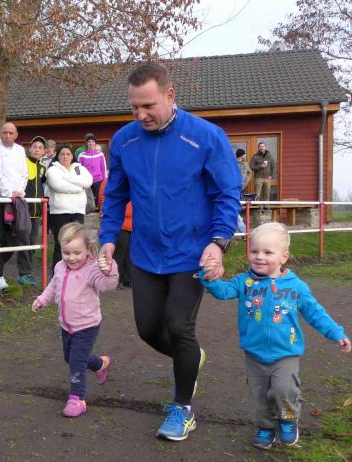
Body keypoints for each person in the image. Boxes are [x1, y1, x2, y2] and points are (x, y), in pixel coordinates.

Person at [99, 62, 241, 441]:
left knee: (179, 326)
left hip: (191, 252)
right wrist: (108, 238)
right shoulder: (124, 141)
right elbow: (115, 196)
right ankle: (190, 357)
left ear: (170, 96)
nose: (140, 115)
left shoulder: (206, 136)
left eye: (148, 106)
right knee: (148, 329)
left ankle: (183, 408)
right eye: (134, 107)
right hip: (146, 252)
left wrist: (219, 242)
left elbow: (228, 193)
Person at [200, 223, 352, 448]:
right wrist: (209, 278)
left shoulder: (296, 287)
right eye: (254, 251)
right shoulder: (244, 282)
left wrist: (335, 332)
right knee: (260, 396)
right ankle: (266, 427)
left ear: (284, 257)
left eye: (268, 252)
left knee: (284, 390)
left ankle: (288, 420)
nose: (259, 257)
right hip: (254, 354)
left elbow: (315, 313)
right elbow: (222, 292)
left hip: (285, 354)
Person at [32, 222, 119, 417]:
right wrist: (42, 300)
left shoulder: (92, 269)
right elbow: (53, 286)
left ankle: (77, 399)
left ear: (88, 249)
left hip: (87, 325)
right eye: (66, 253)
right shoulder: (60, 267)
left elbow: (108, 285)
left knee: (77, 361)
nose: (71, 258)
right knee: (70, 357)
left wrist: (109, 270)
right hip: (67, 325)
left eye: (77, 253)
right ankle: (101, 364)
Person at [0, 121, 30, 292]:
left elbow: (24, 173)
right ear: (0, 133)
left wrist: (18, 192)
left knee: (14, 238)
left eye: (11, 133)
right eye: (5, 132)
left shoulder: (20, 150)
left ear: (16, 135)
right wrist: (9, 193)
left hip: (16, 201)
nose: (8, 136)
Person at [45, 143, 92, 273]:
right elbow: (59, 186)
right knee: (61, 245)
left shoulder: (80, 168)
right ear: (58, 156)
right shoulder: (52, 170)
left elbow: (88, 181)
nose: (65, 156)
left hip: (78, 211)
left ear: (72, 156)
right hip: (59, 213)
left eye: (68, 154)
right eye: (62, 154)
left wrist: (68, 178)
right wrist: (79, 186)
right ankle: (57, 276)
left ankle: (75, 276)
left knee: (77, 244)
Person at [20, 136, 47, 287]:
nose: (37, 150)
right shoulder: (23, 163)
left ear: (44, 151)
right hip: (24, 210)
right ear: (29, 148)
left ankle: (27, 273)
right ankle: (23, 274)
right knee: (23, 243)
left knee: (32, 243)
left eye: (40, 148)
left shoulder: (43, 167)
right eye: (34, 147)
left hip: (37, 212)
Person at [98, 179, 133, 288]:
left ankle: (128, 279)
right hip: (120, 223)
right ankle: (115, 278)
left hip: (133, 224)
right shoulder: (109, 181)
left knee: (129, 254)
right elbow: (104, 199)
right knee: (119, 254)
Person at [77, 133, 107, 209]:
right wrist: (80, 180)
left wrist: (104, 180)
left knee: (98, 200)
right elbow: (78, 169)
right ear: (86, 143)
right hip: (86, 181)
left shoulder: (100, 154)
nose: (91, 143)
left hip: (98, 180)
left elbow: (103, 168)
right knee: (88, 201)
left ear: (95, 143)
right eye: (89, 141)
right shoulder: (82, 155)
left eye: (93, 141)